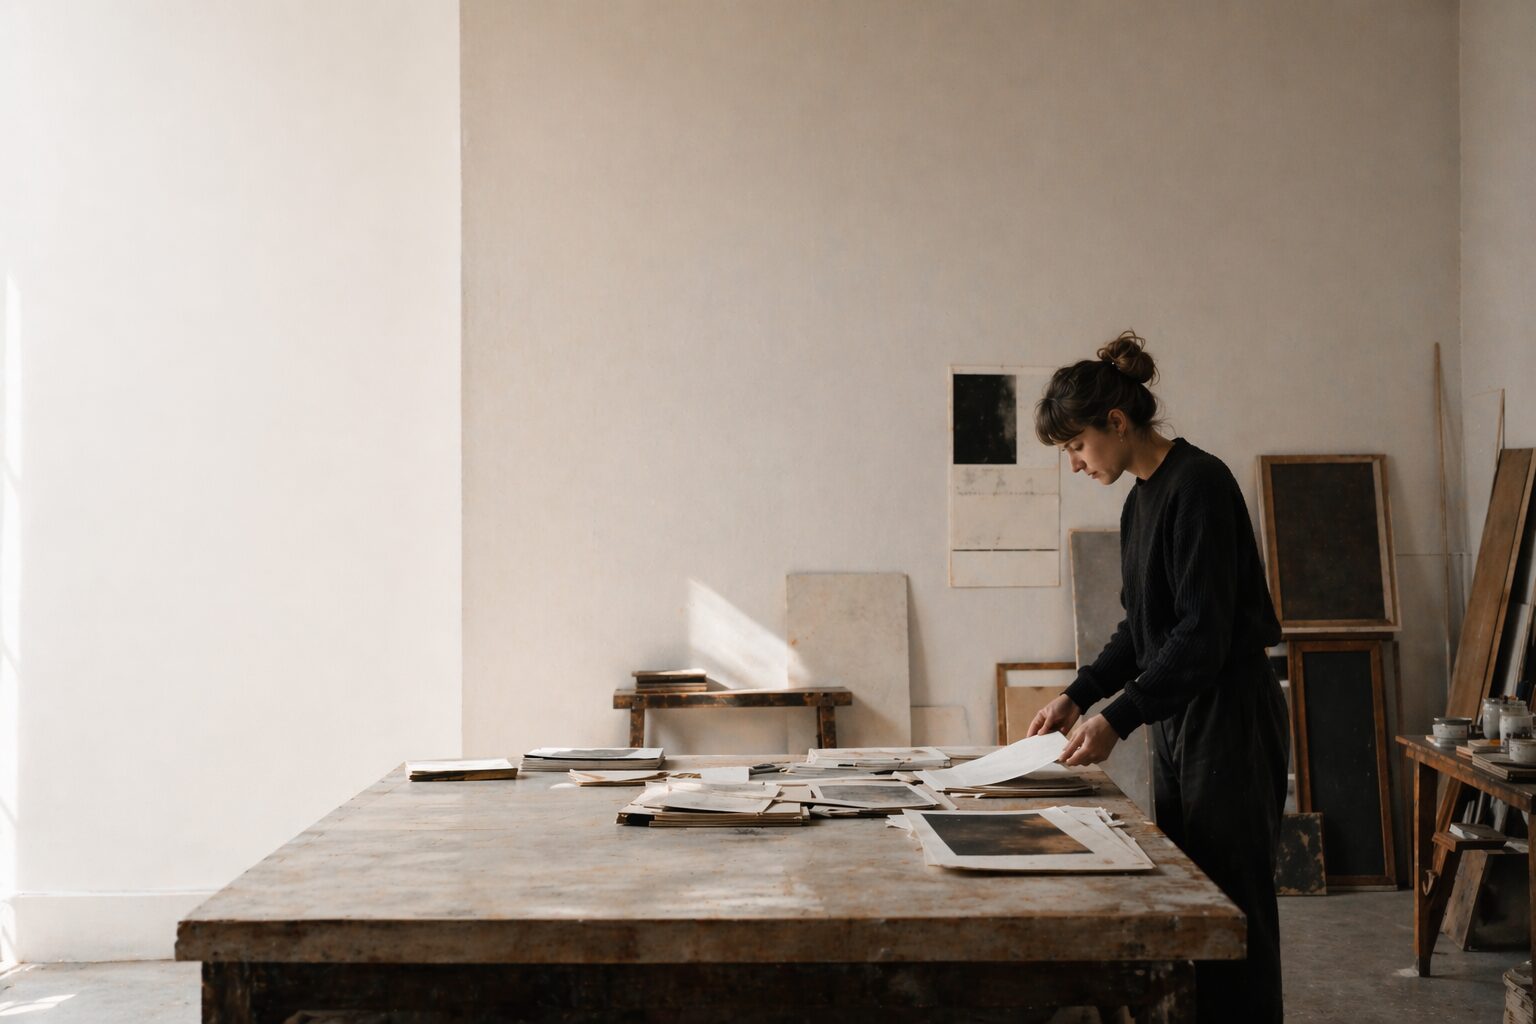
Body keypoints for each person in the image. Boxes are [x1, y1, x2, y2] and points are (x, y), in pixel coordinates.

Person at [1026, 330, 1289, 1023]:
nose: (1077, 464)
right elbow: (1142, 632)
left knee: (1234, 909)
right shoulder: (1141, 499)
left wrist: (1118, 716)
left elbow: (1202, 636)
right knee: (1195, 897)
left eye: (1077, 446)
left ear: (1117, 423)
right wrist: (1078, 694)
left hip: (1229, 716)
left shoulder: (1199, 484)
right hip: (1184, 718)